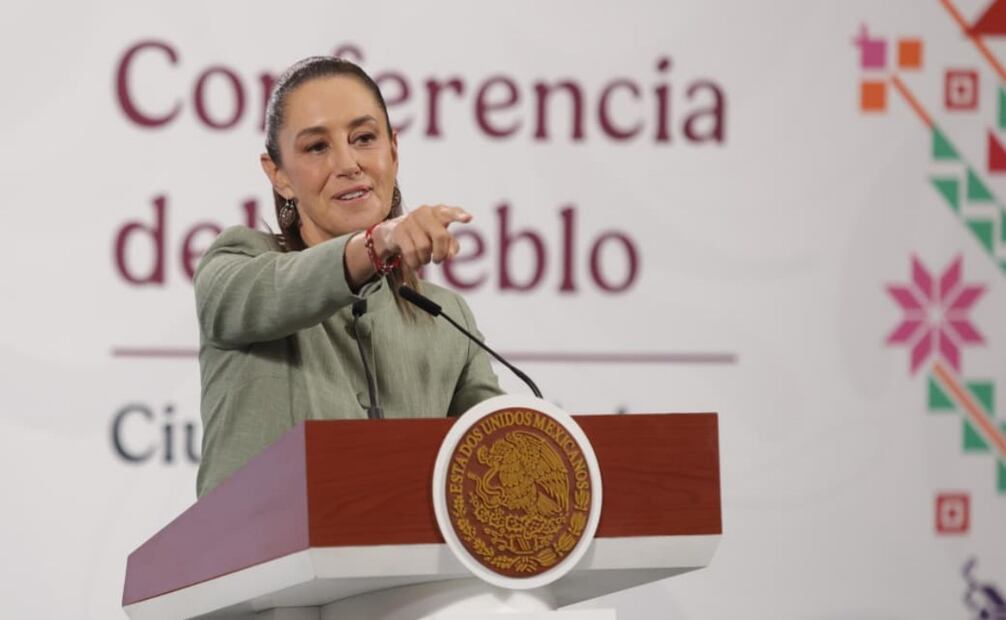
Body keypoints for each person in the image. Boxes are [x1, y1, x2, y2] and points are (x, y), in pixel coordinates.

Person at [193, 56, 503, 497]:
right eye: (317, 147)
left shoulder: (447, 317)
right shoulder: (236, 265)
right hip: (258, 564)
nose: (348, 163)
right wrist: (378, 243)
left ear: (393, 151)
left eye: (364, 138)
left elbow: (500, 454)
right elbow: (281, 288)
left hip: (403, 566)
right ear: (278, 174)